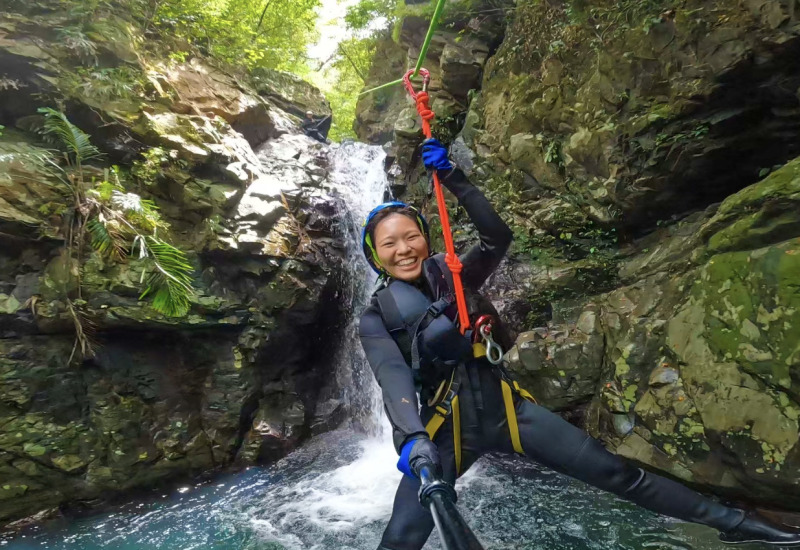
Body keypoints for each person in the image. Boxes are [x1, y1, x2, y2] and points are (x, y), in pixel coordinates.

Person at [358, 138, 800, 550]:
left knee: (616, 472)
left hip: (508, 411)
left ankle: (735, 524)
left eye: (411, 236)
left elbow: (498, 238)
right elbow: (391, 375)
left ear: (426, 237)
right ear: (375, 256)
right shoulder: (377, 315)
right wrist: (413, 437)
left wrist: (454, 177)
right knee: (403, 533)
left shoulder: (454, 272)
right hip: (445, 427)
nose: (404, 249)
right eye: (389, 244)